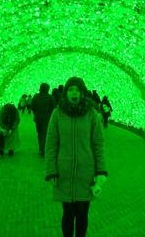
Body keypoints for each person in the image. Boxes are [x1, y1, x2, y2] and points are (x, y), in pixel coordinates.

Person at [45, 77, 108, 237]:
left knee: (82, 214)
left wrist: (100, 170)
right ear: (66, 92)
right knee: (68, 214)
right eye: (71, 89)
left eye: (77, 90)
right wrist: (51, 170)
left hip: (85, 173)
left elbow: (98, 144)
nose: (74, 93)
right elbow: (51, 144)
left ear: (82, 93)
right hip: (63, 172)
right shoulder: (57, 114)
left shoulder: (91, 114)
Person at [31, 83, 55, 157]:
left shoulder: (35, 97)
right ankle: (43, 150)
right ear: (47, 89)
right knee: (45, 134)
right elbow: (53, 108)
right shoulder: (50, 97)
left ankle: (41, 149)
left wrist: (36, 113)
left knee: (40, 133)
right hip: (47, 118)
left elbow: (33, 107)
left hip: (38, 118)